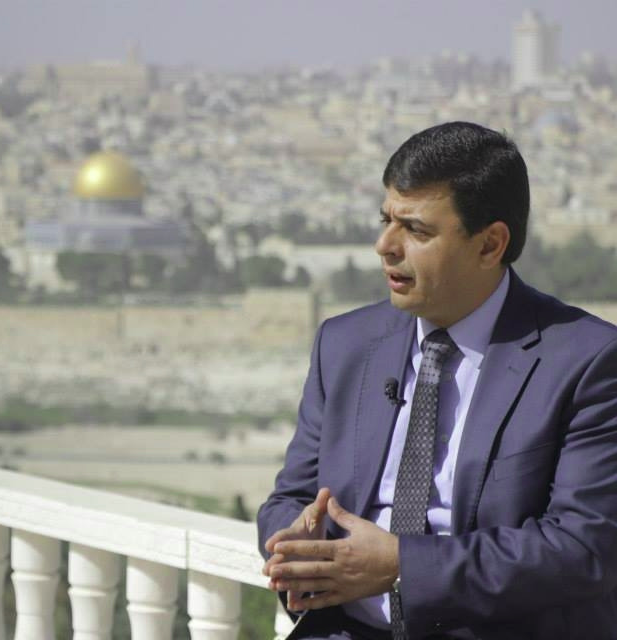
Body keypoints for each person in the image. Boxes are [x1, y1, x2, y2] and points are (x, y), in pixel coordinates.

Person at [257, 121, 617, 640]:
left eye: (416, 230)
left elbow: (581, 548)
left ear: (490, 245)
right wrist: (292, 540)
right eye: (386, 220)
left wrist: (402, 565)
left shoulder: (586, 361)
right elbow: (290, 497)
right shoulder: (345, 345)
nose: (385, 246)